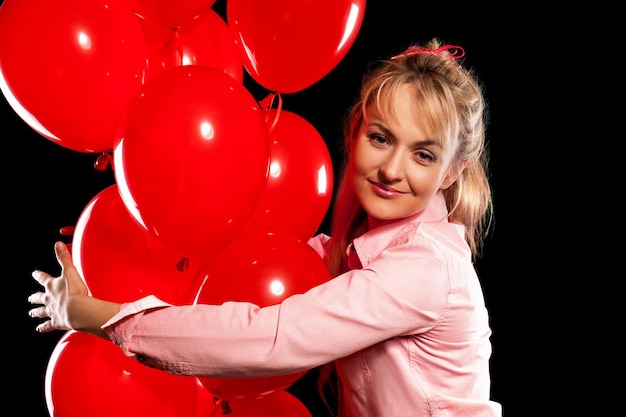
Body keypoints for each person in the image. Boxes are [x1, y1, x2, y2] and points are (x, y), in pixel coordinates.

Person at [28, 38, 502, 417]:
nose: (392, 170)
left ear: (454, 170)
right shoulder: (355, 248)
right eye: (381, 138)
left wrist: (100, 317)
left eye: (423, 154)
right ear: (356, 132)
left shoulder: (424, 269)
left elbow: (273, 339)